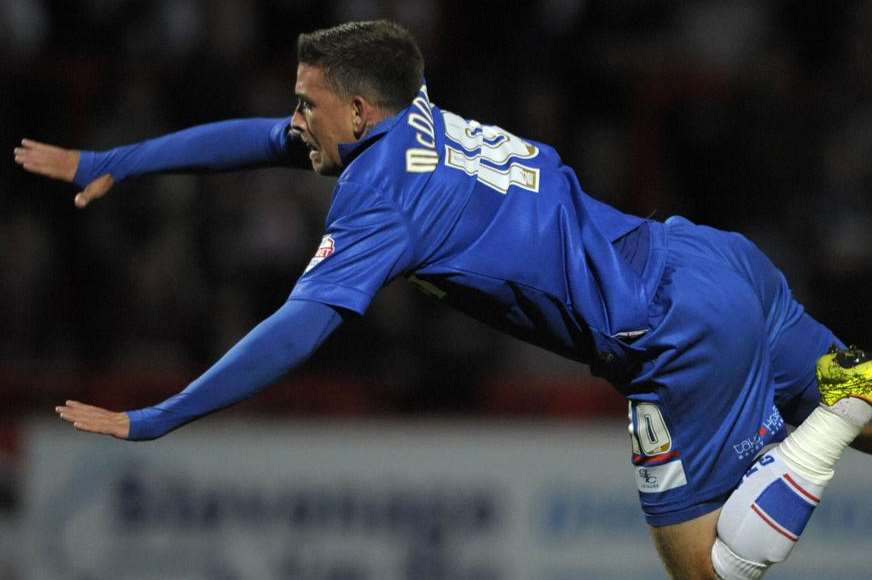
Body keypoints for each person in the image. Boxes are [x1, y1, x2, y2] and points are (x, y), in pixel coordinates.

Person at [13, 20, 872, 580]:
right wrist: (111, 161)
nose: (293, 119)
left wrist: (162, 416)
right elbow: (264, 140)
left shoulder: (382, 198)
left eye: (306, 105)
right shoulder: (412, 113)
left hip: (669, 330)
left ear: (355, 109)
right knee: (853, 387)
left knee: (704, 571)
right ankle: (845, 404)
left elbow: (297, 329)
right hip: (709, 255)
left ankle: (825, 428)